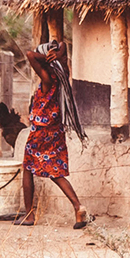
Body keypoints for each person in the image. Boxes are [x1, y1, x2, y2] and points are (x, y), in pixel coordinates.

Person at [18, 38, 88, 228]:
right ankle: (78, 207)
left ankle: (29, 215)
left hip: (41, 131)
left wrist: (47, 58)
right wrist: (58, 55)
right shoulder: (63, 73)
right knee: (55, 171)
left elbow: (30, 55)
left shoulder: (48, 79)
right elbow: (63, 43)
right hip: (56, 130)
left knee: (27, 167)